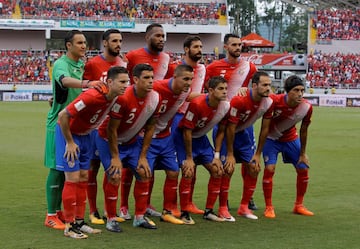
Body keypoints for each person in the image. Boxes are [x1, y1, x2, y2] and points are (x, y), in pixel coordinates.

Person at [56, 66, 128, 238]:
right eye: (122, 82)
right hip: (70, 136)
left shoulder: (114, 97)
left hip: (87, 135)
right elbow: (63, 115)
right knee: (72, 178)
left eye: (127, 81)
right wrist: (70, 142)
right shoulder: (93, 95)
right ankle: (69, 225)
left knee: (83, 177)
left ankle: (79, 222)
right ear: (109, 82)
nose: (126, 85)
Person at [44, 30, 103, 230]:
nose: (84, 46)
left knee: (70, 172)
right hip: (58, 124)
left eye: (85, 42)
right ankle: (51, 214)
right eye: (79, 42)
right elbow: (64, 81)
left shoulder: (81, 64)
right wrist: (88, 83)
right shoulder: (62, 63)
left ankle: (61, 212)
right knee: (56, 169)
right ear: (69, 45)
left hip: (76, 124)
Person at [95, 64, 160, 230]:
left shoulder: (154, 98)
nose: (151, 81)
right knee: (115, 175)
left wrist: (143, 156)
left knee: (145, 172)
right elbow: (111, 129)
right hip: (108, 140)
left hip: (131, 142)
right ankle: (111, 219)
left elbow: (151, 128)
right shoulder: (123, 98)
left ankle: (139, 217)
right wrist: (115, 157)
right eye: (146, 78)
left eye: (152, 77)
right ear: (136, 80)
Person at [120, 23, 171, 219]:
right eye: (157, 35)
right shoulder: (132, 56)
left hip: (154, 113)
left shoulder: (166, 58)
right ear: (147, 37)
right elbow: (123, 78)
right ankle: (123, 206)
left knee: (149, 164)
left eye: (163, 36)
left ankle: (146, 204)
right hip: (135, 114)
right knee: (129, 166)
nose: (161, 39)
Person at [205, 33, 258, 211]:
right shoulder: (213, 67)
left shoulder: (249, 67)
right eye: (234, 45)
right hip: (223, 121)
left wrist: (247, 90)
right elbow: (207, 91)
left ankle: (248, 199)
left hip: (244, 122)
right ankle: (222, 200)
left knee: (249, 163)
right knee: (223, 164)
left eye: (240, 44)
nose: (238, 47)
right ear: (225, 47)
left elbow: (255, 89)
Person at [83, 29, 127, 225]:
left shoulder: (122, 64)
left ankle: (112, 210)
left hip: (113, 125)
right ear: (105, 43)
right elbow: (84, 92)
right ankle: (93, 210)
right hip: (94, 125)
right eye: (115, 41)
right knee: (93, 166)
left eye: (120, 41)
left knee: (111, 167)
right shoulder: (93, 64)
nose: (118, 44)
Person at [173, 76, 230, 224]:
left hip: (201, 139)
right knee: (188, 171)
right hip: (184, 138)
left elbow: (221, 131)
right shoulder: (197, 104)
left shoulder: (225, 106)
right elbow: (186, 132)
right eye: (221, 89)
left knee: (218, 171)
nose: (225, 92)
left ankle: (209, 211)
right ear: (210, 90)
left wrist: (217, 155)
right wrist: (190, 158)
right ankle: (184, 213)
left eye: (226, 89)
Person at [219, 71, 273, 221]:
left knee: (254, 167)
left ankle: (244, 207)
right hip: (225, 133)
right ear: (254, 86)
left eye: (269, 85)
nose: (268, 88)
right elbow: (230, 127)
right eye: (265, 85)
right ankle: (223, 207)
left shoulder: (268, 102)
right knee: (227, 169)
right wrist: (230, 154)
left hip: (243, 134)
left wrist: (257, 154)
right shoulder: (239, 100)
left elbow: (265, 129)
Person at [262, 75, 314, 219]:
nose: (300, 94)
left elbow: (304, 130)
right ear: (287, 91)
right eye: (296, 90)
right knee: (269, 169)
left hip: (291, 138)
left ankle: (299, 205)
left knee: (303, 168)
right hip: (271, 139)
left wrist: (303, 153)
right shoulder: (274, 101)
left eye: (302, 90)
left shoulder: (306, 107)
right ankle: (269, 207)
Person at [148, 64, 194, 225]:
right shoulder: (156, 87)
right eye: (185, 79)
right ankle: (137, 211)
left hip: (166, 137)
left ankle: (167, 211)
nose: (189, 83)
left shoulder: (185, 92)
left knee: (173, 172)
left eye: (191, 79)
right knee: (145, 173)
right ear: (175, 77)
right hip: (146, 136)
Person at [169, 35, 206, 216]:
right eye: (196, 47)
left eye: (201, 46)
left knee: (193, 163)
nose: (199, 50)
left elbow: (195, 94)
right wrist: (207, 97)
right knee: (177, 164)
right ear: (186, 49)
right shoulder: (175, 67)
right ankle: (172, 205)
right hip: (176, 117)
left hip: (194, 118)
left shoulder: (202, 69)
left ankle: (188, 202)